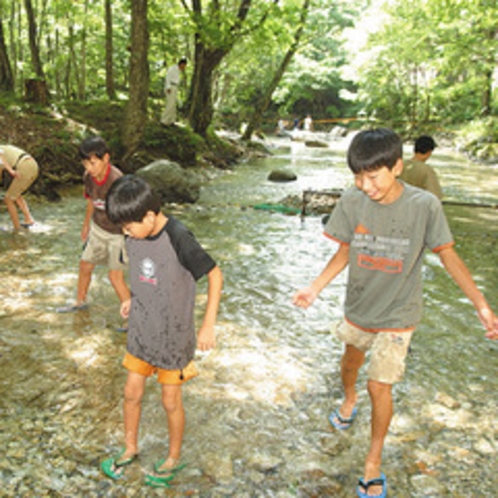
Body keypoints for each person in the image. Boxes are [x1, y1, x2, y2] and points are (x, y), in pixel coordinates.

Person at [293, 128, 498, 498]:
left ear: (398, 167)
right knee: (351, 364)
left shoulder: (424, 206)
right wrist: (314, 287)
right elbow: (344, 252)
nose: (365, 185)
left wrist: (482, 306)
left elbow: (448, 256)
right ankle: (348, 397)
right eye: (357, 176)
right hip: (359, 306)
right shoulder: (353, 201)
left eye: (373, 176)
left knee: (380, 384)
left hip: (399, 314)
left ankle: (373, 461)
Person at [101, 175, 223, 488]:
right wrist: (128, 298)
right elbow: (127, 274)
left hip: (174, 336)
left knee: (171, 401)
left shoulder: (179, 236)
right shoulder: (134, 234)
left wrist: (208, 324)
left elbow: (214, 275)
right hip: (141, 330)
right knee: (131, 392)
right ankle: (130, 446)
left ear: (150, 217)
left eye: (128, 228)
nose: (126, 235)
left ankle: (173, 455)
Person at [57, 136, 130, 314]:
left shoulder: (117, 181)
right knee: (85, 266)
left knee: (115, 277)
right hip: (98, 227)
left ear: (106, 158)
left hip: (118, 233)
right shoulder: (88, 177)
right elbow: (91, 200)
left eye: (93, 163)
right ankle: (80, 302)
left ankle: (133, 317)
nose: (89, 169)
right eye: (85, 164)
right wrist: (86, 224)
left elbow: (129, 211)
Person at [0, 144, 39, 230]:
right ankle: (28, 219)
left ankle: (17, 229)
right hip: (31, 164)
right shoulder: (3, 148)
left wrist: (11, 171)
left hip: (24, 166)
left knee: (8, 199)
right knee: (15, 193)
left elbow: (1, 157)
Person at [160, 57, 187, 126]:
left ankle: (171, 120)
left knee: (173, 105)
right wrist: (168, 87)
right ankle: (164, 121)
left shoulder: (178, 70)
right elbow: (168, 78)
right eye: (184, 65)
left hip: (175, 87)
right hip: (170, 87)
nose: (184, 67)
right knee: (170, 104)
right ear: (181, 64)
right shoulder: (172, 68)